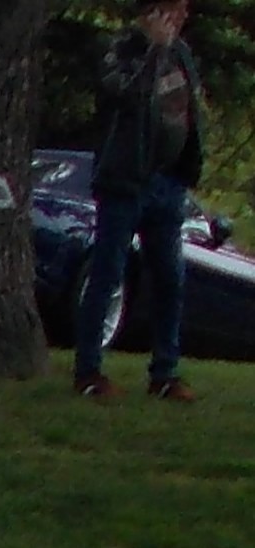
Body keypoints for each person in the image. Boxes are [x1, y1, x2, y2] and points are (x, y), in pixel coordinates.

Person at [72, 0, 208, 401]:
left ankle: (165, 372)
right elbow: (127, 96)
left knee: (170, 278)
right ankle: (88, 370)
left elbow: (189, 109)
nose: (182, 18)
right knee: (108, 272)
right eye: (174, 10)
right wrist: (154, 52)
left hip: (168, 181)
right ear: (153, 12)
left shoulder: (181, 53)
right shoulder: (122, 49)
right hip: (126, 181)